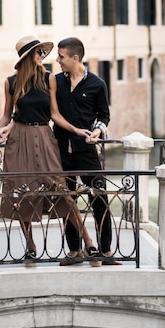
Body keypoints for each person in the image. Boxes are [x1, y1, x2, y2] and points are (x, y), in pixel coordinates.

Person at [0, 35, 100, 267]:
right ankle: (30, 247)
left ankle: (88, 241)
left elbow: (55, 114)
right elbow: (7, 114)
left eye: (43, 52)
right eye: (39, 53)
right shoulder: (10, 82)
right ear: (30, 57)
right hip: (19, 140)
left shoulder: (49, 79)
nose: (43, 56)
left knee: (61, 190)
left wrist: (77, 130)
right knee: (21, 193)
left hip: (45, 137)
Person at [53, 36, 121, 265]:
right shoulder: (55, 82)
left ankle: (106, 251)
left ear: (75, 57)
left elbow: (104, 116)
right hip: (60, 150)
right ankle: (75, 251)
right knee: (67, 200)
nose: (58, 60)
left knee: (99, 198)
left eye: (61, 57)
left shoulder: (97, 84)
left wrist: (98, 131)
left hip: (87, 151)